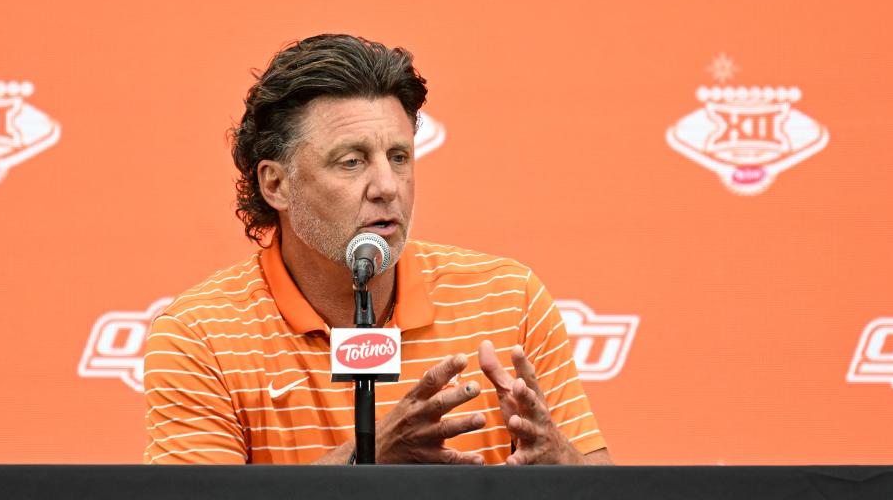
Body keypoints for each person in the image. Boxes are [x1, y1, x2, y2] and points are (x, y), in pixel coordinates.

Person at [143, 35, 611, 465]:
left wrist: (561, 465)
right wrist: (369, 459)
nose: (387, 187)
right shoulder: (199, 337)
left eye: (399, 157)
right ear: (276, 184)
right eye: (352, 162)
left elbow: (602, 485)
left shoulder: (510, 300)